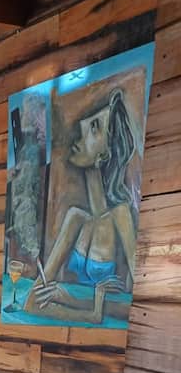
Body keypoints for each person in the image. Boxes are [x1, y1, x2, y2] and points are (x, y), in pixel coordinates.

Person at [24, 87, 137, 323]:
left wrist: (74, 301)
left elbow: (139, 306)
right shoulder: (75, 217)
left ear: (103, 156)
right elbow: (31, 304)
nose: (83, 124)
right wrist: (91, 312)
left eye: (95, 127)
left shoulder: (121, 215)